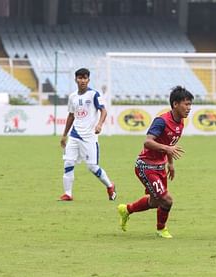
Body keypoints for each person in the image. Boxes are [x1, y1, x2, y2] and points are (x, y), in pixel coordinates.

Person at [117, 86, 194, 239]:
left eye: (190, 104)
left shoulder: (180, 123)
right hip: (146, 166)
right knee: (167, 200)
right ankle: (161, 229)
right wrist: (167, 149)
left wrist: (170, 164)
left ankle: (126, 209)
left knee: (155, 202)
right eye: (186, 104)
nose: (189, 108)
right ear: (175, 104)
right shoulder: (161, 121)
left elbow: (169, 145)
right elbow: (147, 142)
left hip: (160, 166)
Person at [59, 68, 115, 201]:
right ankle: (68, 194)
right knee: (68, 162)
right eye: (80, 78)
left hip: (89, 137)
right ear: (76, 80)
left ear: (88, 80)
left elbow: (104, 111)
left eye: (85, 78)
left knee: (92, 167)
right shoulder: (72, 97)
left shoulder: (94, 94)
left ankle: (110, 186)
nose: (82, 80)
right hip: (74, 135)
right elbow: (71, 116)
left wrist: (100, 124)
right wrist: (64, 134)